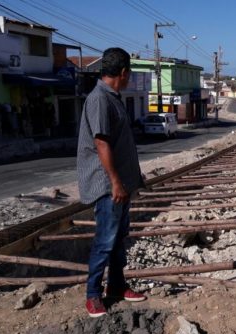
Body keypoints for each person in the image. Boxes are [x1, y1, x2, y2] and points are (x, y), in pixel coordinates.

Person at [77, 47, 145, 318]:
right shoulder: (99, 100)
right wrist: (116, 183)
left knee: (118, 240)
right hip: (108, 186)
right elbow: (101, 143)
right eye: (129, 74)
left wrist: (132, 178)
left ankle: (116, 286)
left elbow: (118, 144)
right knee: (105, 241)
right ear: (124, 72)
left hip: (121, 184)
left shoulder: (112, 97)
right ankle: (93, 295)